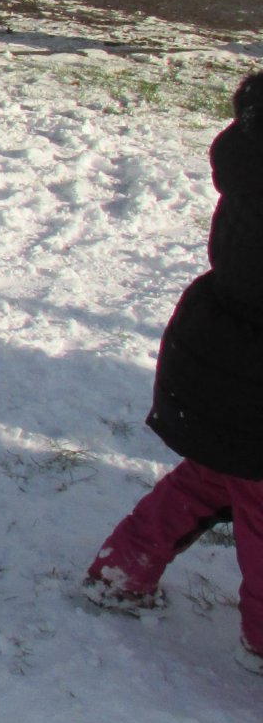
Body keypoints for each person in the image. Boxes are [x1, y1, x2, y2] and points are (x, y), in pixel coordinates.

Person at [85, 71, 263, 673]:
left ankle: (120, 570)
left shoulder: (252, 150)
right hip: (251, 374)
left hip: (220, 348)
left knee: (213, 480)